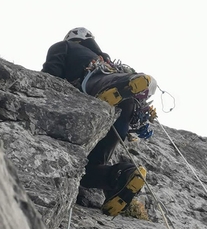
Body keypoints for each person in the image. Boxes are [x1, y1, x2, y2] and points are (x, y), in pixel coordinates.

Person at [42, 27, 156, 216]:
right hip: (123, 116)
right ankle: (123, 175)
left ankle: (117, 87)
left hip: (99, 89)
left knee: (97, 82)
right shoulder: (107, 60)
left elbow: (50, 74)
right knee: (88, 167)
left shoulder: (64, 46)